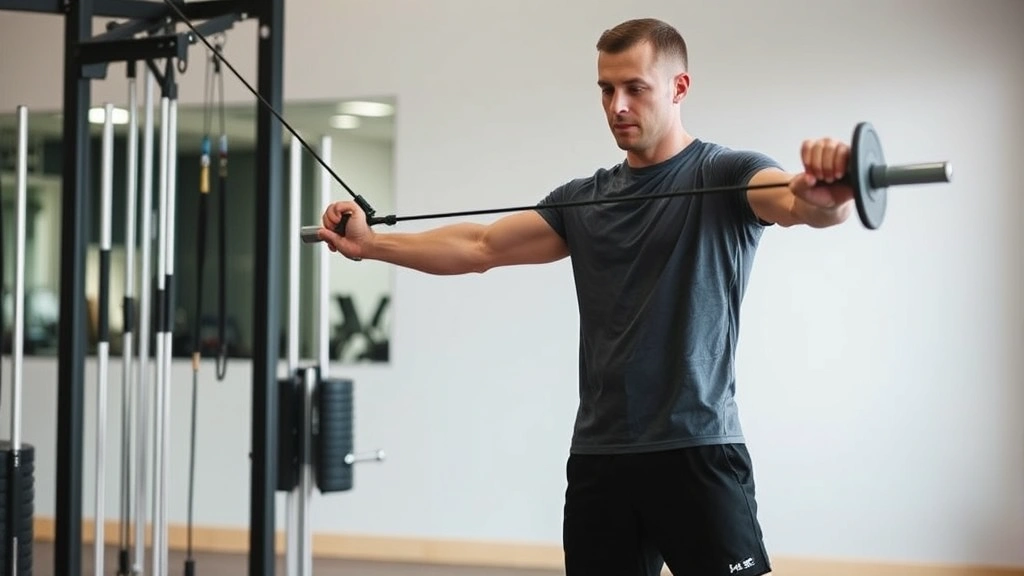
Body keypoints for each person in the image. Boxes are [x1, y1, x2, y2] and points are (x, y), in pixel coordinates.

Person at [317, 17, 853, 576]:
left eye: (635, 88)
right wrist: (373, 245)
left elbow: (800, 206)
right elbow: (479, 246)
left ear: (679, 88)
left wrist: (829, 193)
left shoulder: (725, 173)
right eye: (606, 89)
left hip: (696, 450)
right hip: (602, 458)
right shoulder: (584, 201)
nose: (617, 105)